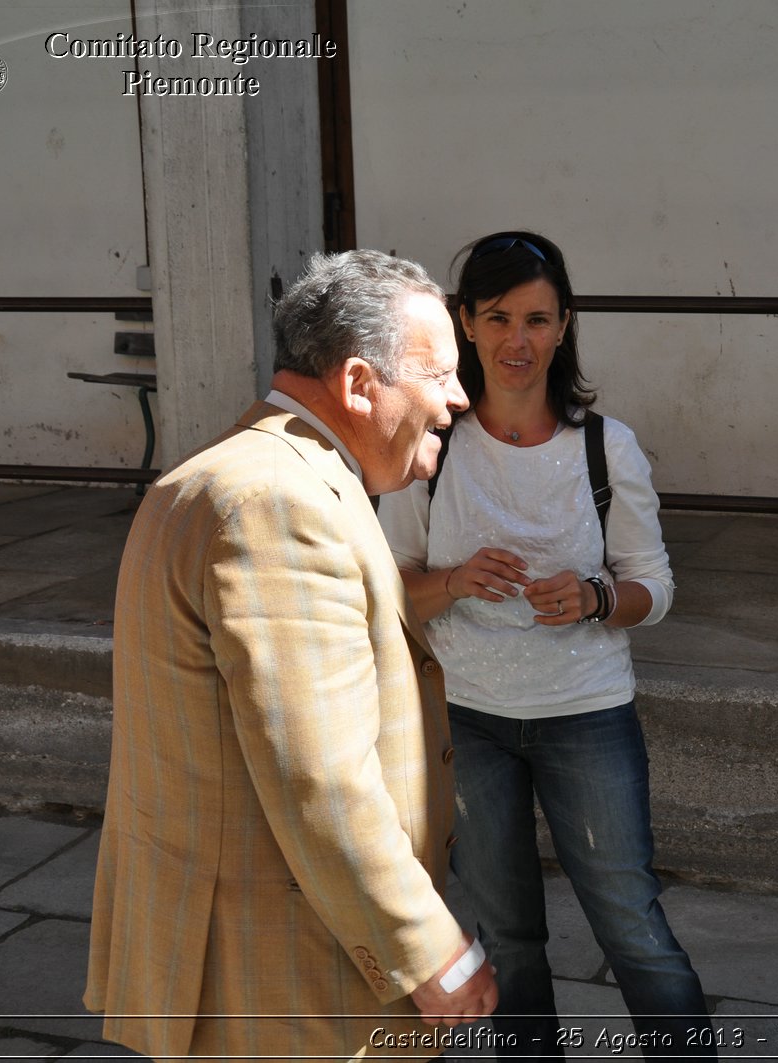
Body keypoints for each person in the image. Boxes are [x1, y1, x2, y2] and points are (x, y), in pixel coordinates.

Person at [85, 250, 498, 1059]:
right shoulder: (280, 503)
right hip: (286, 977)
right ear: (356, 384)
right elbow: (321, 777)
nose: (458, 398)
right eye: (442, 374)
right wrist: (431, 954)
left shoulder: (247, 475)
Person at [376, 230, 713, 1060]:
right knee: (507, 935)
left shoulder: (606, 447)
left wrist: (597, 597)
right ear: (465, 324)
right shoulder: (436, 445)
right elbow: (385, 589)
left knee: (630, 921)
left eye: (536, 319)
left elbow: (655, 586)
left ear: (565, 325)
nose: (516, 341)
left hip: (586, 715)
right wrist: (453, 580)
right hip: (467, 721)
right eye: (497, 318)